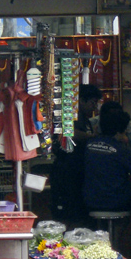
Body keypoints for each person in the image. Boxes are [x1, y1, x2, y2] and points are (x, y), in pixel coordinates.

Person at [50, 84, 102, 226]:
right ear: (81, 101)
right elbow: (68, 133)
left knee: (79, 215)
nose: (95, 107)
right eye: (93, 102)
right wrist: (91, 136)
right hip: (66, 172)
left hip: (78, 172)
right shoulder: (70, 117)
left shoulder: (85, 119)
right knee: (68, 217)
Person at [83, 109, 131, 213]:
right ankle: (120, 229)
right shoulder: (123, 150)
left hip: (89, 201)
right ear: (119, 131)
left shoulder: (88, 144)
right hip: (116, 202)